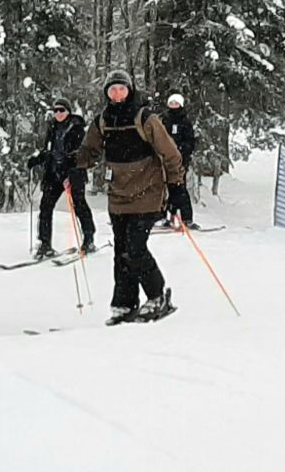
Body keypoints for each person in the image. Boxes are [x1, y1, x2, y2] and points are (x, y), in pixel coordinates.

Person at [76, 69, 185, 325]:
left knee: (135, 248)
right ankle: (124, 304)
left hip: (148, 192)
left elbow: (170, 154)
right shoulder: (103, 120)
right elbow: (88, 150)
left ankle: (157, 296)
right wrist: (70, 163)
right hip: (119, 195)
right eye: (112, 89)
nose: (117, 94)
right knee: (122, 251)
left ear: (130, 90)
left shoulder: (145, 118)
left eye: (121, 88)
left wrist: (177, 187)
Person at [25, 99, 96, 259]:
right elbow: (49, 150)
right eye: (55, 110)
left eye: (61, 110)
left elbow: (79, 154)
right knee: (45, 207)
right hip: (53, 173)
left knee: (79, 205)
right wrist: (37, 159)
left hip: (73, 173)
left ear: (68, 111)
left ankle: (89, 238)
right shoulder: (52, 127)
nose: (58, 113)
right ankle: (44, 244)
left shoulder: (77, 128)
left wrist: (70, 173)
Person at [159, 93, 196, 228]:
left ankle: (186, 217)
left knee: (179, 187)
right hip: (165, 160)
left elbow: (190, 141)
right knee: (164, 188)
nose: (173, 106)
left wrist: (182, 152)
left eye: (176, 103)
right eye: (171, 103)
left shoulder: (185, 122)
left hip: (180, 161)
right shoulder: (164, 120)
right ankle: (165, 216)